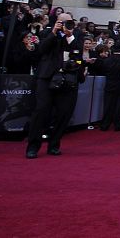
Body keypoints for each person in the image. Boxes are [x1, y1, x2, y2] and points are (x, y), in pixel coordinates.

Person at [25, 13, 85, 159]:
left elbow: (78, 54)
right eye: (62, 22)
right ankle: (33, 146)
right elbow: (41, 50)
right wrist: (54, 32)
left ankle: (54, 145)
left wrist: (69, 35)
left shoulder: (76, 36)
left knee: (64, 113)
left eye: (69, 22)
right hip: (46, 77)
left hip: (68, 79)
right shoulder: (46, 32)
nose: (65, 24)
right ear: (56, 22)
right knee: (41, 111)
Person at [99, 42, 120, 132]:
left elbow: (104, 70)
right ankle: (118, 125)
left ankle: (105, 124)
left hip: (109, 84)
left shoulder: (107, 60)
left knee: (108, 105)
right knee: (119, 105)